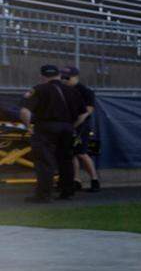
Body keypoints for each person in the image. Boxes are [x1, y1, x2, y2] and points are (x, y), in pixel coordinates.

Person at [19, 64, 85, 203]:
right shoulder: (71, 90)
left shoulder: (38, 89)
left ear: (42, 76)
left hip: (45, 127)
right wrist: (71, 126)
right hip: (67, 128)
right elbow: (82, 114)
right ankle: (67, 191)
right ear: (59, 75)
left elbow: (25, 111)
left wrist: (28, 127)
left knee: (45, 161)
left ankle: (44, 194)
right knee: (66, 160)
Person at [61, 66, 100, 192]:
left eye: (67, 77)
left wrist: (74, 125)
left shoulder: (85, 91)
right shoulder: (64, 89)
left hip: (81, 126)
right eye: (63, 77)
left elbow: (87, 112)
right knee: (72, 154)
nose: (64, 79)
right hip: (68, 125)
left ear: (76, 76)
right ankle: (76, 180)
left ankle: (94, 180)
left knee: (82, 153)